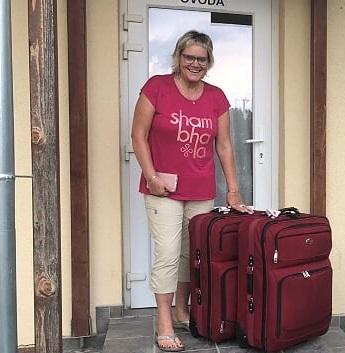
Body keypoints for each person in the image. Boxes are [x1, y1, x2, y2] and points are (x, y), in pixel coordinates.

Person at [131, 30, 253, 352]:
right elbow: (138, 136)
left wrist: (233, 191)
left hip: (201, 191)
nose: (195, 64)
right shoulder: (156, 88)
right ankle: (164, 321)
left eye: (202, 59)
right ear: (179, 57)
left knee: (192, 254)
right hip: (163, 190)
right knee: (169, 253)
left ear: (209, 62)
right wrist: (152, 176)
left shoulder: (217, 98)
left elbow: (224, 146)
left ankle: (183, 310)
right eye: (190, 57)